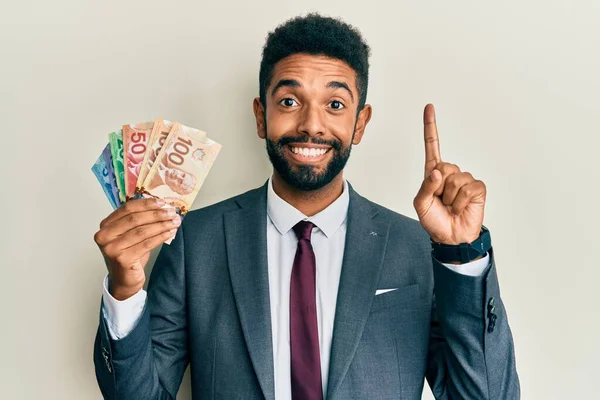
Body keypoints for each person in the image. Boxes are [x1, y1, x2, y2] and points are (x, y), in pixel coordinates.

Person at [93, 13, 520, 400]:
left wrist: (463, 257)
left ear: (360, 123)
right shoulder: (196, 242)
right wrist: (125, 292)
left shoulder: (415, 247)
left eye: (335, 105)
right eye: (289, 101)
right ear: (261, 117)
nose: (311, 125)